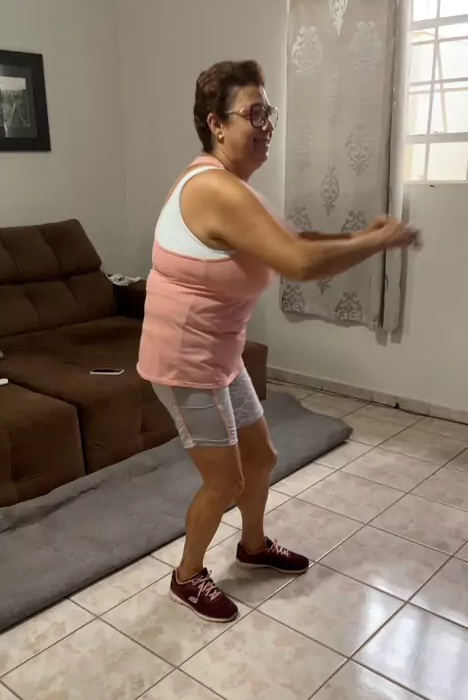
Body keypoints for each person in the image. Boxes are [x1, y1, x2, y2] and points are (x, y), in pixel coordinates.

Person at [137, 60, 419, 624]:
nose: (267, 125)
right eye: (255, 113)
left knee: (261, 457)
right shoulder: (213, 188)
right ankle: (187, 575)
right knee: (225, 481)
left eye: (269, 112)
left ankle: (252, 547)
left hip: (221, 355)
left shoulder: (233, 187)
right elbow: (298, 262)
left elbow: (291, 239)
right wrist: (378, 242)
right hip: (184, 362)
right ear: (217, 125)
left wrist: (361, 236)